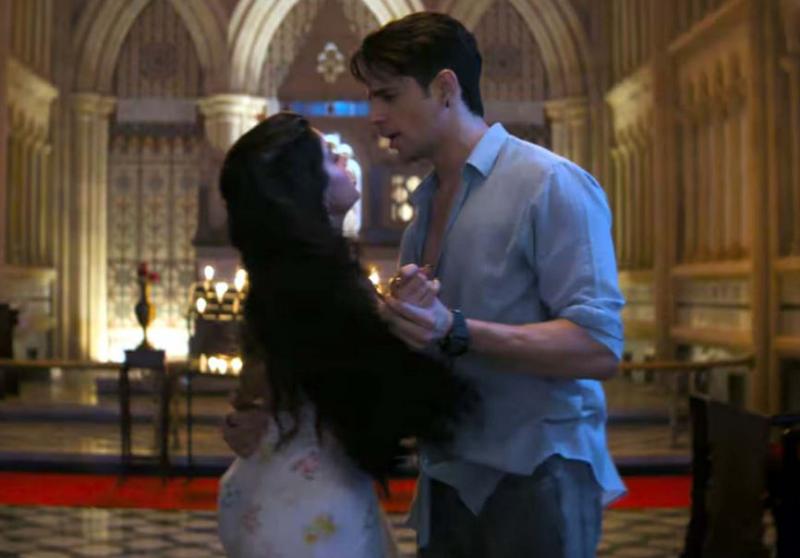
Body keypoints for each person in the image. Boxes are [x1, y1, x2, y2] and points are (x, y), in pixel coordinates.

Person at [349, 12, 626, 558]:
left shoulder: (548, 183)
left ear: (444, 88)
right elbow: (433, 343)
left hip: (535, 478)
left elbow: (598, 347)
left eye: (388, 96)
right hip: (448, 476)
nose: (375, 116)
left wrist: (454, 329)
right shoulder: (424, 207)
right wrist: (401, 327)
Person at [215, 112, 473, 558]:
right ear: (304, 185)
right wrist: (432, 329)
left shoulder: (289, 277)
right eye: (330, 157)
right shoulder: (315, 284)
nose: (345, 161)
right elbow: (385, 400)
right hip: (308, 511)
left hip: (280, 493)